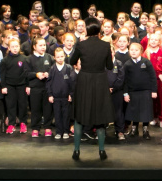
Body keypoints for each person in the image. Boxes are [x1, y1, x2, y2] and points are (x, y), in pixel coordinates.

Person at [68, 17, 115, 161]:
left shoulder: (81, 45)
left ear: (87, 29)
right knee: (100, 117)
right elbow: (109, 67)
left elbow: (70, 61)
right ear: (99, 29)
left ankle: (76, 151)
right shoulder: (105, 46)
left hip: (84, 81)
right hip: (100, 81)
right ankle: (101, 151)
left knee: (79, 116)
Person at [123, 42, 157, 140]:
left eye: (136, 50)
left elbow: (153, 77)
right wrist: (126, 93)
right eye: (132, 50)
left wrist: (154, 90)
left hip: (145, 91)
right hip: (133, 92)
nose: (133, 52)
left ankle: (146, 130)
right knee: (134, 111)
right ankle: (134, 129)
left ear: (141, 51)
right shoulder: (127, 64)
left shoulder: (146, 62)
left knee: (145, 111)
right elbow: (124, 80)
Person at [25, 37, 54, 138]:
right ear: (34, 47)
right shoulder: (29, 59)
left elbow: (54, 70)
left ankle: (47, 127)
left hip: (47, 88)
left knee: (48, 108)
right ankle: (35, 128)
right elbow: (26, 74)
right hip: (35, 87)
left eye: (44, 45)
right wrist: (36, 74)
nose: (43, 47)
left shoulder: (49, 57)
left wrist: (48, 73)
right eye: (40, 45)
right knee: (35, 108)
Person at [0, 37, 28, 135]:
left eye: (16, 46)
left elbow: (26, 73)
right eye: (13, 46)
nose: (15, 48)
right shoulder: (5, 60)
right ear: (9, 48)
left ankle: (23, 123)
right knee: (11, 105)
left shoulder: (24, 59)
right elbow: (2, 74)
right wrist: (3, 86)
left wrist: (27, 85)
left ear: (19, 47)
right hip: (9, 86)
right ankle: (11, 124)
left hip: (22, 85)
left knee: (22, 105)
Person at [47, 47, 75, 140]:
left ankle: (66, 131)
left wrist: (71, 94)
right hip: (56, 97)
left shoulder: (68, 68)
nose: (60, 58)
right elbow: (49, 83)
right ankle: (59, 132)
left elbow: (72, 82)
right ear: (54, 58)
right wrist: (50, 94)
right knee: (57, 115)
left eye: (62, 56)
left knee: (66, 115)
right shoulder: (52, 69)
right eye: (58, 57)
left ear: (64, 57)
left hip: (66, 97)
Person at [107, 44, 126, 141]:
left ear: (114, 52)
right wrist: (106, 88)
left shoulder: (119, 64)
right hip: (104, 92)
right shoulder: (102, 64)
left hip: (117, 92)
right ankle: (101, 132)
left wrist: (113, 88)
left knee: (118, 112)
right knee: (103, 112)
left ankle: (120, 131)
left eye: (111, 51)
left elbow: (121, 78)